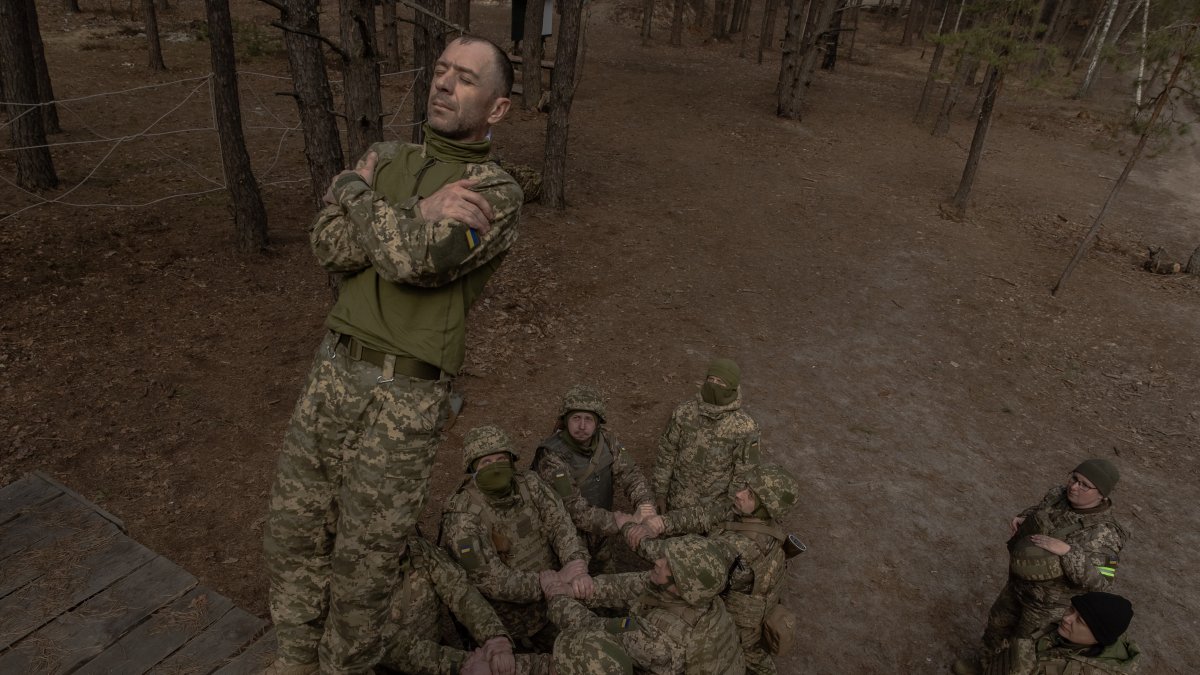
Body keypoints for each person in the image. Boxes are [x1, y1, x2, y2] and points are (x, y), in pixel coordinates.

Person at [262, 35, 523, 674]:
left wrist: (357, 193)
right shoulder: (387, 156)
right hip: (333, 371)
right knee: (295, 536)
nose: (442, 84)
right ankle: (294, 664)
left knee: (365, 567)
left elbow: (415, 261)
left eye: (464, 78)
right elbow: (328, 246)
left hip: (404, 401)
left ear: (496, 109)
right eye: (439, 71)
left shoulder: (495, 191)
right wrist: (413, 209)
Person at [954, 459, 1129, 675]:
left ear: (1102, 494)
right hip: (1019, 584)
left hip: (1046, 605)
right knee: (997, 626)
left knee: (1023, 650)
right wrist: (1025, 517)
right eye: (1074, 478)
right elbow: (1041, 511)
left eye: (1084, 485)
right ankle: (982, 664)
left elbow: (1101, 582)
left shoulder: (1106, 535)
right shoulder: (1058, 495)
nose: (1074, 487)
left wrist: (1068, 552)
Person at [627, 464, 801, 674]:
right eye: (745, 486)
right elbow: (705, 515)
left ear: (766, 506)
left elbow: (675, 561)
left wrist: (629, 529)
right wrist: (663, 523)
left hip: (736, 630)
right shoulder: (761, 520)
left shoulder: (739, 548)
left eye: (750, 495)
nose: (739, 494)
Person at [440, 425, 593, 649]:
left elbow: (560, 524)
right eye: (486, 463)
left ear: (511, 461)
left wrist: (576, 563)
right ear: (473, 470)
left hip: (555, 601)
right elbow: (489, 580)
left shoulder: (529, 483)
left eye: (501, 459)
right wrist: (547, 582)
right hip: (507, 627)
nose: (495, 468)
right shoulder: (462, 517)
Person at [543, 534, 745, 674]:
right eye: (665, 556)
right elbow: (629, 585)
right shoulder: (705, 597)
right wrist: (577, 589)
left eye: (668, 565)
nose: (658, 562)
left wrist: (556, 597)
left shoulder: (658, 641)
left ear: (681, 586)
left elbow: (594, 629)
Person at [532, 384, 657, 573]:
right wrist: (618, 521)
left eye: (588, 419)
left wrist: (646, 507)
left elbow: (631, 475)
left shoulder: (606, 441)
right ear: (565, 420)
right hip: (568, 536)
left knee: (607, 578)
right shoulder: (552, 456)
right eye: (576, 418)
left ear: (597, 422)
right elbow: (573, 509)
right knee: (576, 585)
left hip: (601, 532)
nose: (582, 426)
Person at [377, 534, 515, 675]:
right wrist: (463, 663)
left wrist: (495, 638)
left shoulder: (416, 548)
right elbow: (388, 645)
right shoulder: (356, 587)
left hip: (437, 645)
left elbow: (458, 590)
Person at [653, 359, 761, 514]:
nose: (714, 385)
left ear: (731, 387)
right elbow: (666, 453)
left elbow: (744, 473)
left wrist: (729, 510)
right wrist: (660, 493)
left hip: (713, 511)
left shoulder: (745, 427)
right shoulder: (684, 413)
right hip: (675, 504)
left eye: (720, 382)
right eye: (711, 380)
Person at [984, 592, 1140, 675]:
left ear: (1099, 638)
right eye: (1071, 610)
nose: (1066, 618)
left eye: (1080, 621)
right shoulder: (1066, 634)